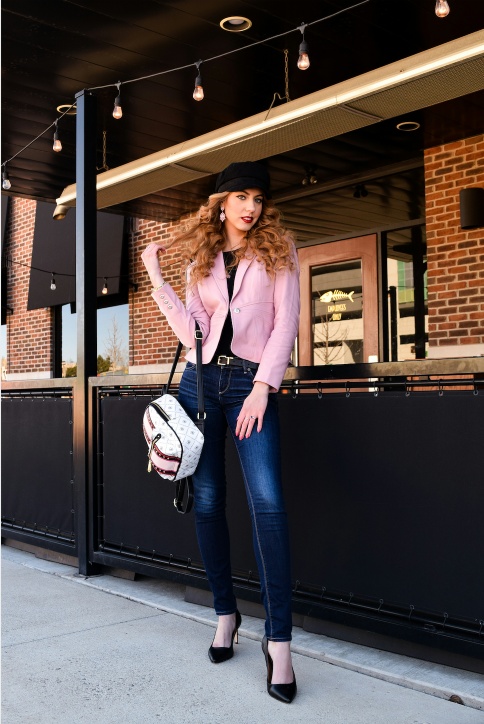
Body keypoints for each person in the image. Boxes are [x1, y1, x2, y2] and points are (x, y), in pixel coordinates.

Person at [141, 161, 300, 704]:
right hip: (201, 385)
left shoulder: (280, 250)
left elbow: (286, 323)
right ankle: (225, 614)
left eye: (258, 197)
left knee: (269, 506)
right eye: (241, 197)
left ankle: (279, 642)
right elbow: (193, 332)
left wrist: (263, 387)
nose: (251, 207)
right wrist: (159, 280)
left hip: (251, 387)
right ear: (221, 202)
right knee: (208, 503)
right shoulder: (202, 258)